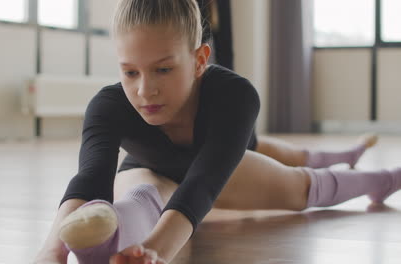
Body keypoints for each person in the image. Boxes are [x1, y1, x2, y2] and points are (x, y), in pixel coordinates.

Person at [34, 0, 400, 263]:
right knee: (138, 198)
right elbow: (91, 181)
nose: (145, 91)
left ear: (199, 60)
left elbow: (204, 184)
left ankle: (381, 179)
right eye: (130, 72)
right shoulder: (108, 106)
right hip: (148, 171)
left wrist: (158, 252)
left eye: (162, 70)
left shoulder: (235, 96)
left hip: (213, 171)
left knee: (301, 188)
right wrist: (52, 252)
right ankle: (102, 246)